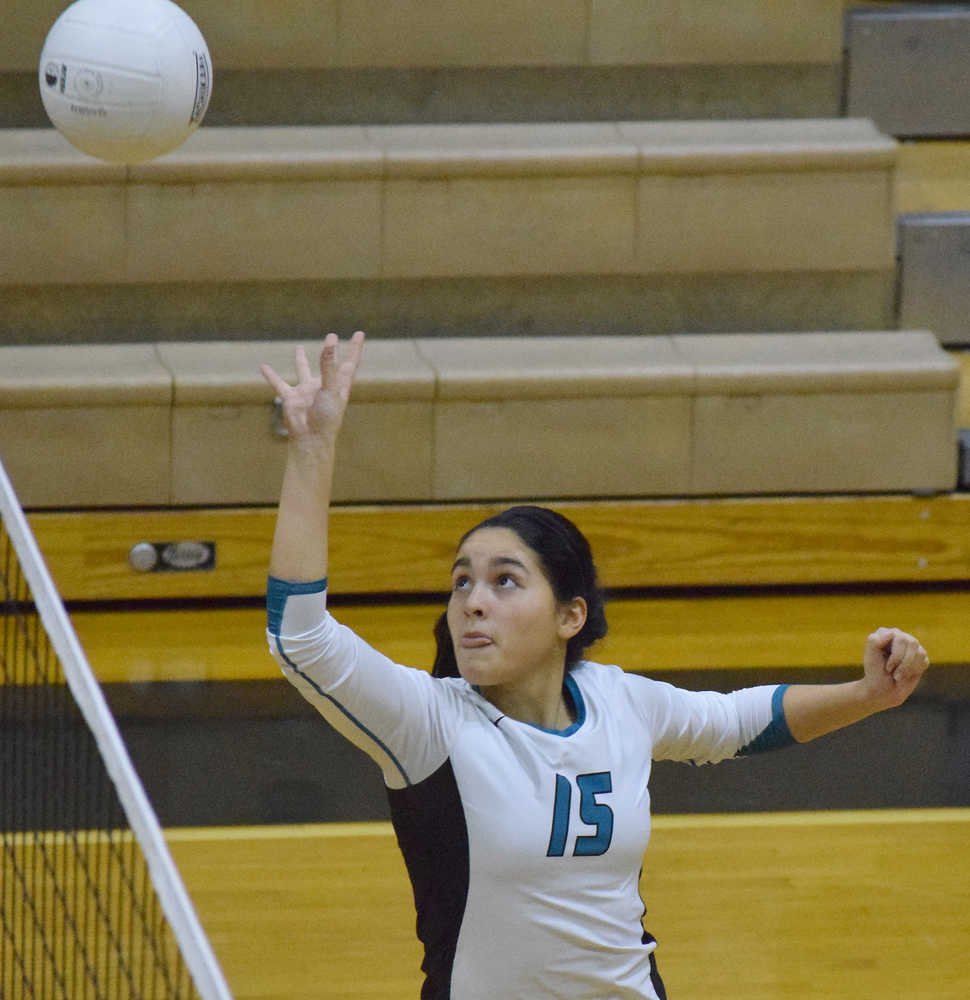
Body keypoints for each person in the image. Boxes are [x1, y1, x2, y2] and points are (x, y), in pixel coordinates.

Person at [261, 332, 931, 1000]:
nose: (473, 603)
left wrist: (867, 694)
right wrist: (313, 451)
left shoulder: (618, 702)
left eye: (504, 582)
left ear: (569, 616)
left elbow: (737, 721)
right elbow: (303, 639)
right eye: (462, 582)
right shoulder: (428, 726)